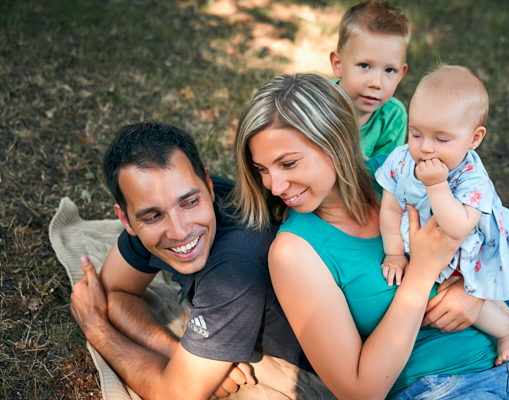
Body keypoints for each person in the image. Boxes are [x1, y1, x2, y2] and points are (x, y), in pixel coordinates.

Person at [231, 72, 509, 399]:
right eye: (262, 168)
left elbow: (484, 220)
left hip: (507, 346)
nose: (274, 184)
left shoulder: (400, 172)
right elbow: (361, 392)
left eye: (288, 163)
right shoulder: (296, 251)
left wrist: (474, 294)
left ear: (335, 142)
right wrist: (423, 272)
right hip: (442, 386)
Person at [69, 122, 331, 400]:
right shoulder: (170, 193)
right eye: (153, 216)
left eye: (189, 202)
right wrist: (176, 351)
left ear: (208, 185)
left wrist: (95, 328)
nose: (180, 231)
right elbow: (116, 292)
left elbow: (175, 394)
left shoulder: (237, 261)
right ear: (126, 219)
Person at [376, 64, 509, 366]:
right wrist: (393, 253)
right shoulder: (402, 159)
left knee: (456, 290)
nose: (426, 148)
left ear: (474, 138)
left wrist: (437, 186)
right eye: (416, 133)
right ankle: (503, 310)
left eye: (442, 140)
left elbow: (457, 227)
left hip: (468, 246)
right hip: (432, 243)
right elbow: (390, 207)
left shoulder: (472, 177)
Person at [329, 0, 409, 158]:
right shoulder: (316, 102)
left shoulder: (393, 116)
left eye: (390, 70)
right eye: (364, 66)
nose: (376, 83)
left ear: (401, 74)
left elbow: (382, 174)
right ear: (338, 65)